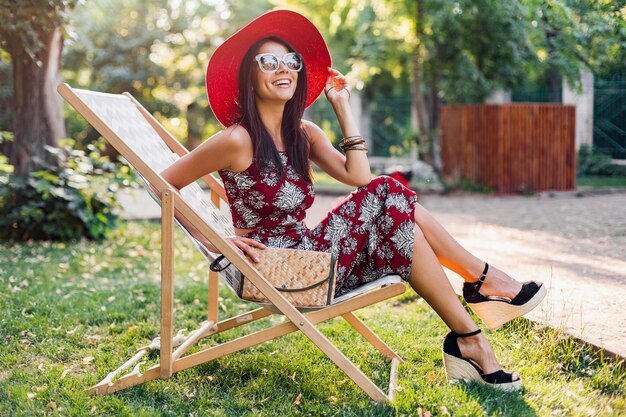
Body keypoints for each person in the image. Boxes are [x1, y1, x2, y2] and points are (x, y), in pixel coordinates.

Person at [161, 10, 546, 392]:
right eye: (269, 61)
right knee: (387, 193)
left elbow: (357, 175)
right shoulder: (236, 140)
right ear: (250, 75)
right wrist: (218, 239)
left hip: (309, 255)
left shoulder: (303, 133)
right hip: (278, 270)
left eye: (291, 61)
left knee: (401, 221)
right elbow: (164, 184)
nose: (284, 68)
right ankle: (481, 284)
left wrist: (341, 106)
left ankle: (470, 335)